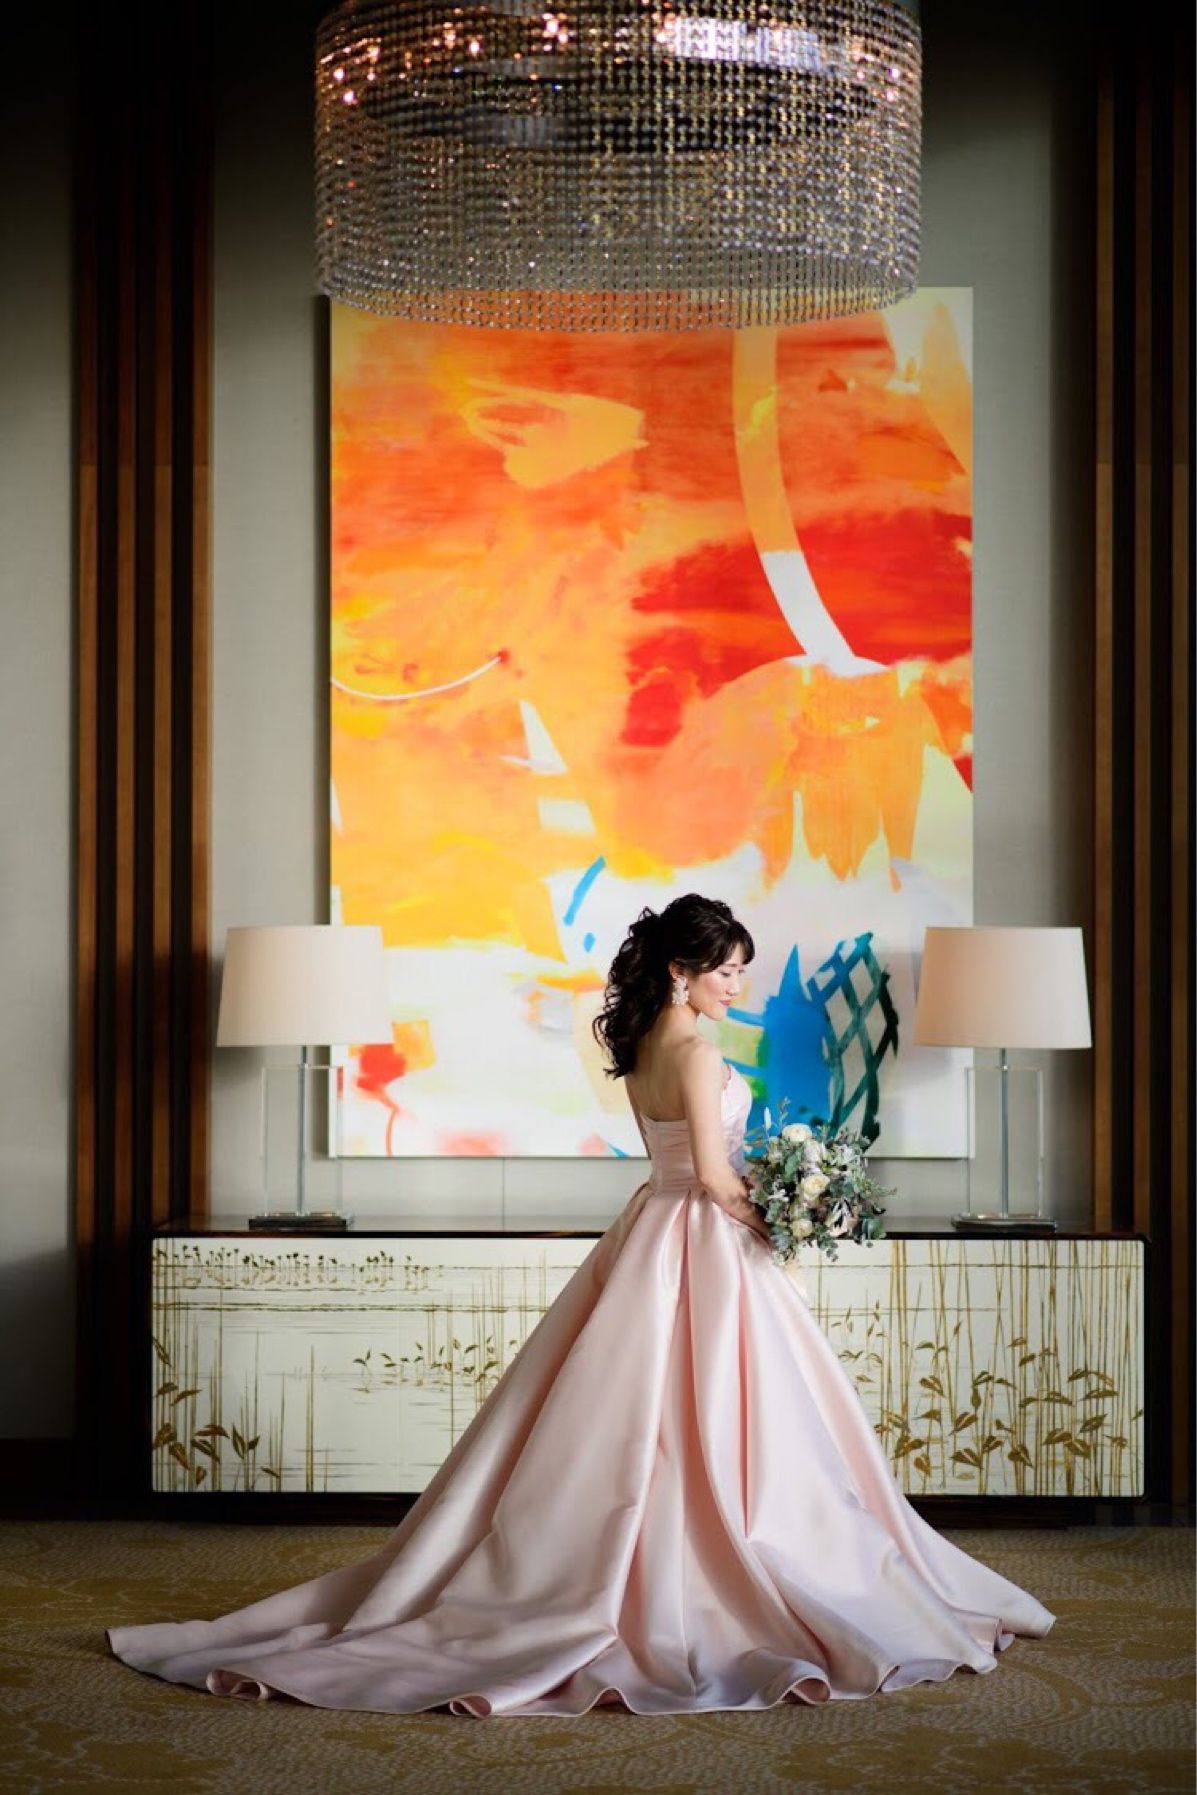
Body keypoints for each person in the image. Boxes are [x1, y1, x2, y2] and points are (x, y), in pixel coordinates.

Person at [106, 893, 1055, 1716]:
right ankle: (705, 1571)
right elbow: (715, 1176)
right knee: (718, 1415)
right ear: (682, 971)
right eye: (726, 970)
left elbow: (676, 1162)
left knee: (639, 1412)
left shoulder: (641, 1043)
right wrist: (789, 1216)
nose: (738, 986)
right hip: (703, 1236)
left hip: (650, 1229)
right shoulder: (696, 1050)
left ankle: (630, 1557)